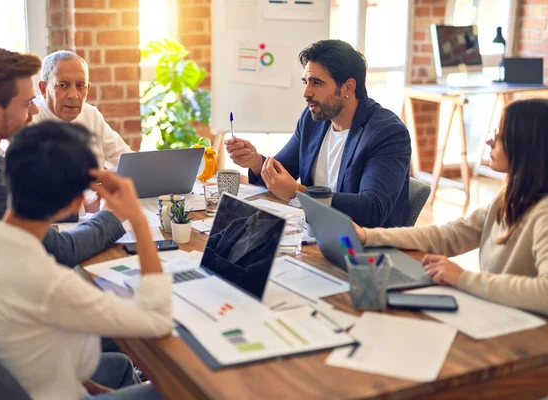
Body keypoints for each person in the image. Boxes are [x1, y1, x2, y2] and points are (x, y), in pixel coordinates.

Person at [0, 121, 171, 399]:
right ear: (75, 202)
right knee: (169, 392)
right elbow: (157, 320)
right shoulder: (50, 283)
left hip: (12, 385)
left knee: (120, 365)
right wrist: (136, 218)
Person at [353, 99, 548, 315]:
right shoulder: (508, 198)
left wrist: (463, 278)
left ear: (526, 146)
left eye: (500, 135)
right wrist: (368, 236)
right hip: (499, 315)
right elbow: (449, 236)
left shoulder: (543, 212)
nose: (490, 141)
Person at [0, 47, 125, 265]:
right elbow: (60, 251)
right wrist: (113, 216)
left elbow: (19, 210)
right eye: (26, 103)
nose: (33, 112)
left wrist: (81, 209)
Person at [225, 39, 411, 228]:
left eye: (317, 83)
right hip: (313, 233)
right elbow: (284, 172)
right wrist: (256, 162)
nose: (306, 92)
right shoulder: (312, 119)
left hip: (363, 248)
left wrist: (298, 193)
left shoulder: (387, 133)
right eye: (306, 82)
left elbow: (372, 210)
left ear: (348, 87)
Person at [33, 50, 133, 169]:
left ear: (88, 88)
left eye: (80, 86)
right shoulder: (30, 117)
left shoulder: (91, 114)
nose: (73, 95)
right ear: (43, 89)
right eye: (63, 85)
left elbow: (127, 160)